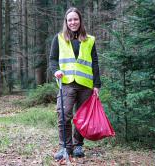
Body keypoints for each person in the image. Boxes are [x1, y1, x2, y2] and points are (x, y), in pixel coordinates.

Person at [49, 7, 101, 161]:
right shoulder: (58, 38)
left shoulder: (89, 39)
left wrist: (97, 85)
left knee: (82, 116)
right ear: (66, 22)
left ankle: (78, 145)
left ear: (80, 21)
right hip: (66, 83)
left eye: (75, 19)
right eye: (70, 19)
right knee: (63, 115)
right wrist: (55, 71)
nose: (73, 22)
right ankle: (65, 147)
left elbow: (95, 63)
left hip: (86, 84)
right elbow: (52, 59)